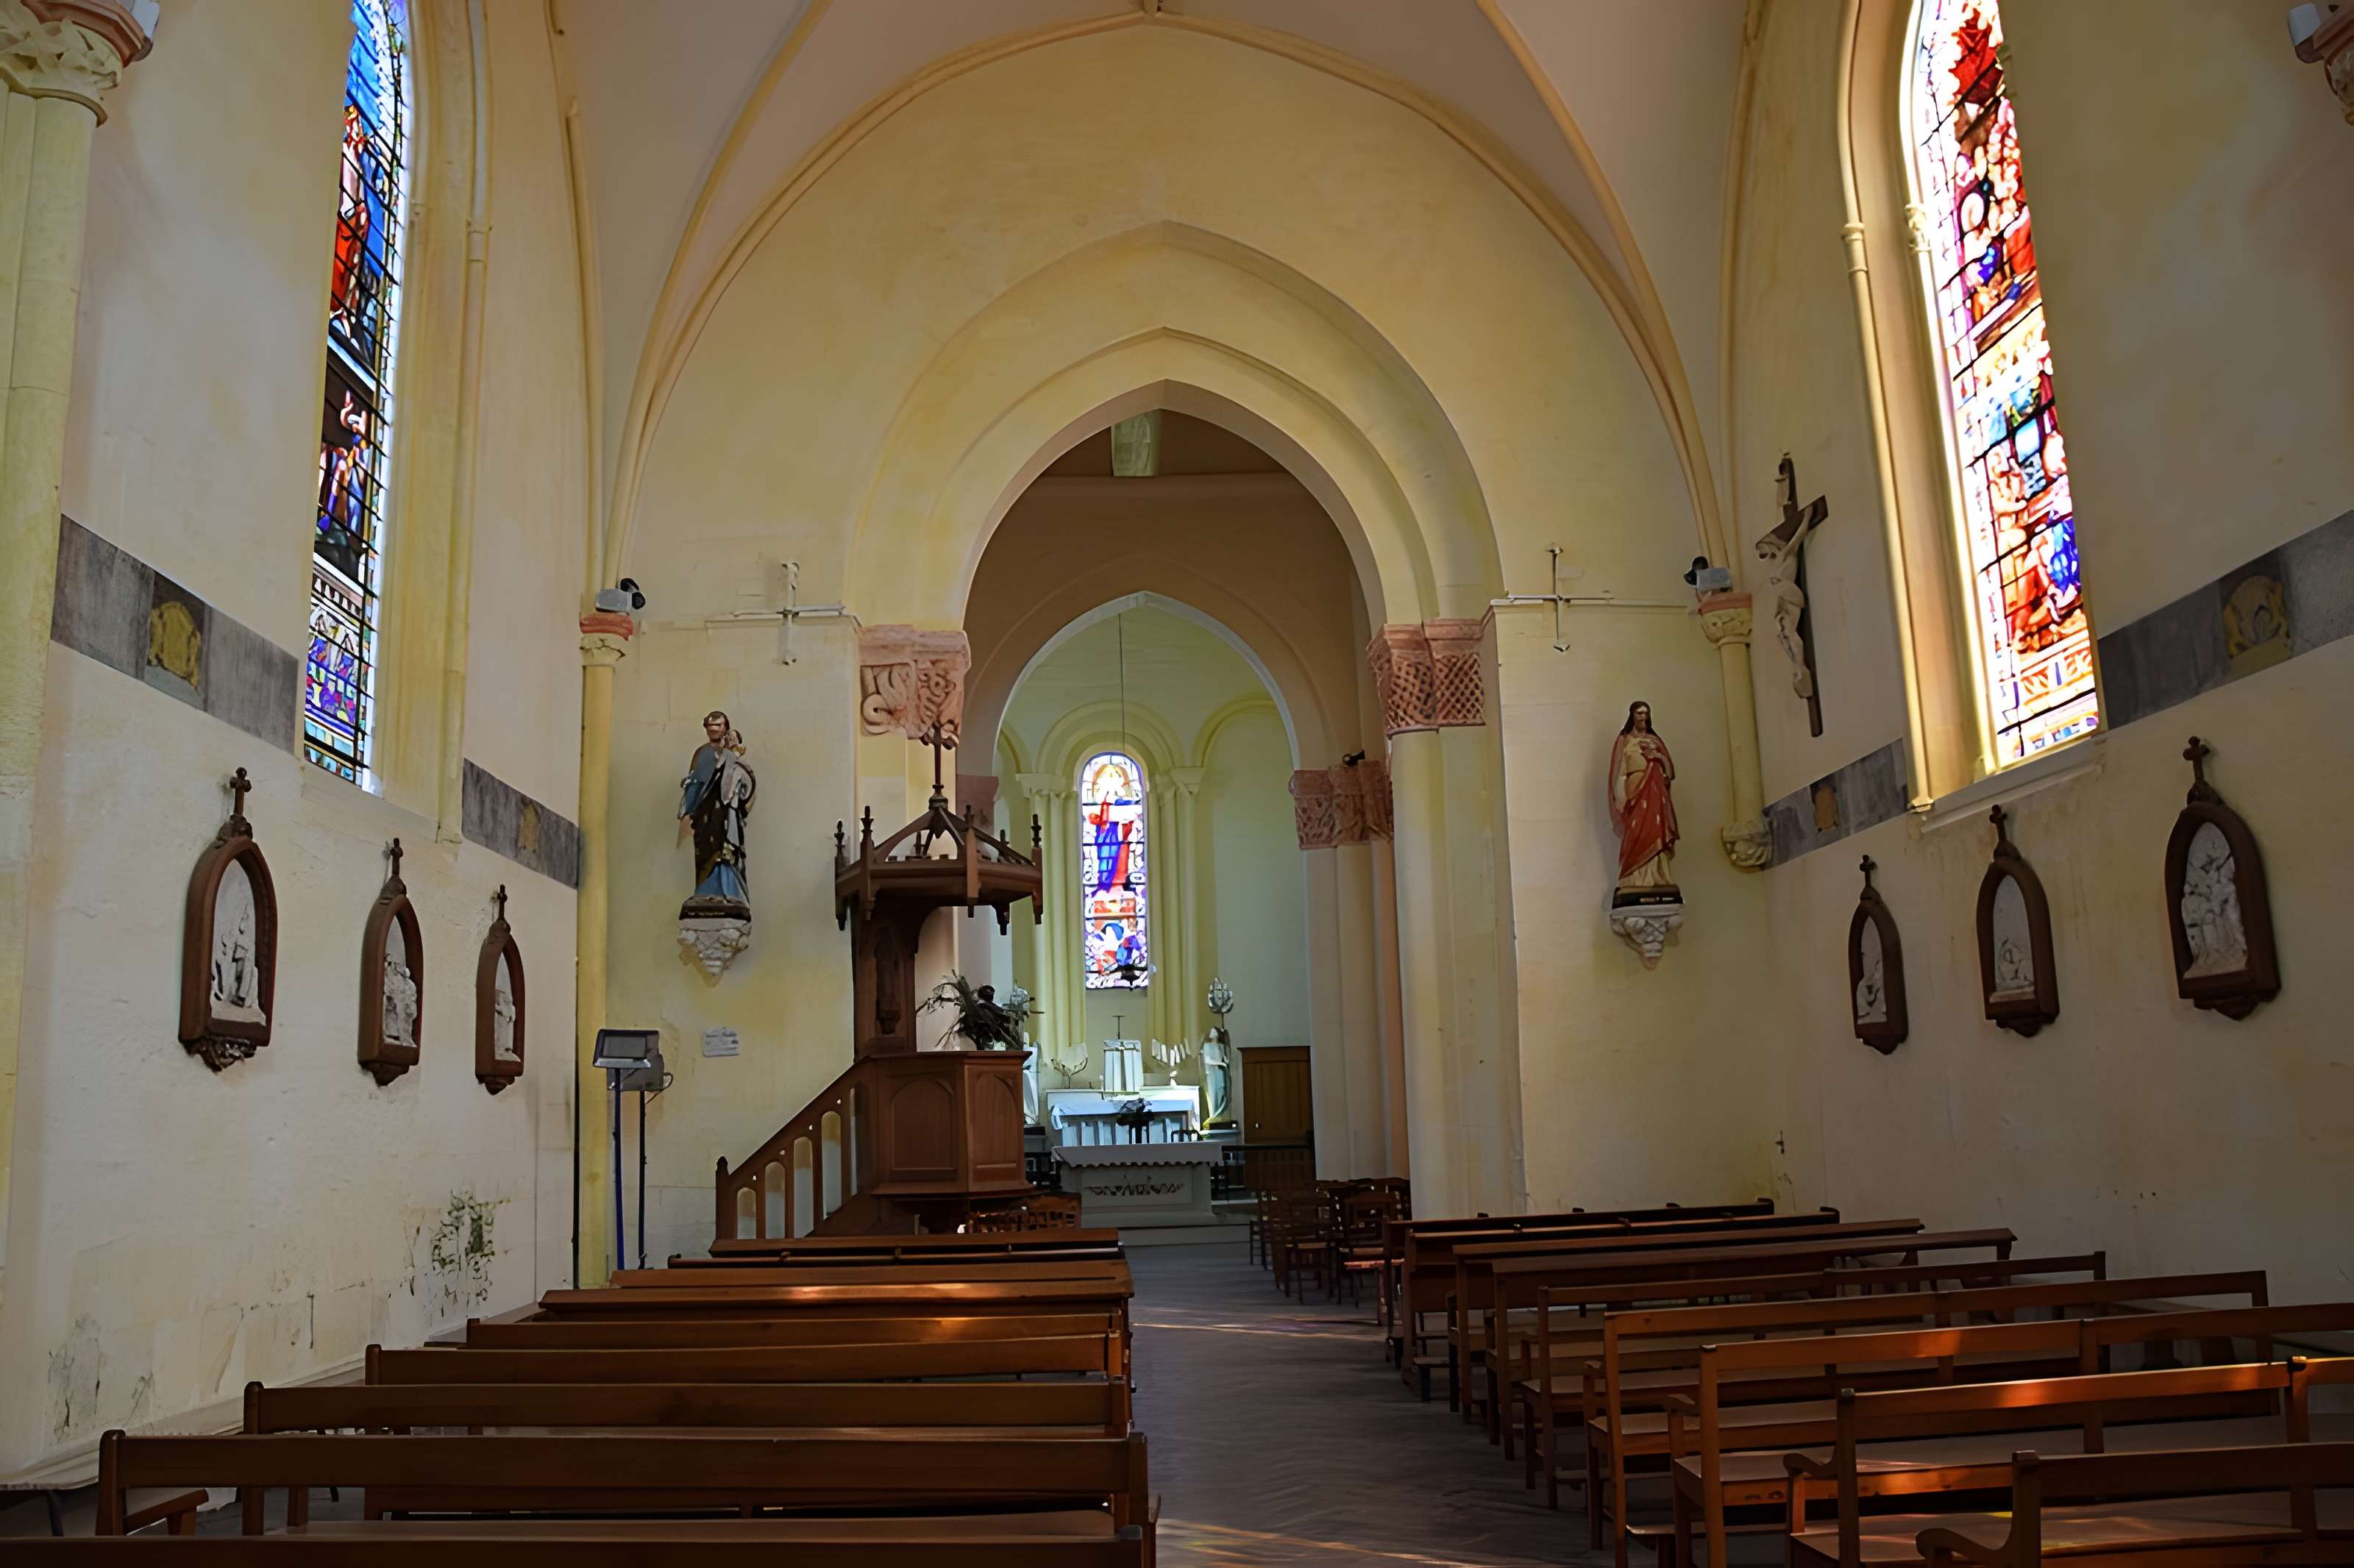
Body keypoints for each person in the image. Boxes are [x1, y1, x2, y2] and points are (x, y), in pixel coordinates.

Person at [679, 710, 755, 908]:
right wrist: (688, 805)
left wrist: (732, 757)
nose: (714, 730)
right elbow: (695, 782)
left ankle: (728, 891)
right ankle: (706, 891)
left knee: (727, 849)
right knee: (706, 849)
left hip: (726, 812)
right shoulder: (702, 753)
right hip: (705, 812)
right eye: (710, 726)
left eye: (719, 726)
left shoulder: (730, 756)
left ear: (726, 728)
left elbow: (741, 786)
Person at [1607, 700, 1679, 898]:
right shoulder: (1625, 741)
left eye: (1645, 713)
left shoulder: (1655, 741)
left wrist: (1657, 756)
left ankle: (1658, 876)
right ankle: (1633, 877)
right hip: (1635, 792)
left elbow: (1670, 772)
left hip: (1655, 792)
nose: (1642, 717)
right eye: (1638, 713)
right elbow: (1620, 773)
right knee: (1637, 832)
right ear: (1632, 715)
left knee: (1655, 830)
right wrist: (1620, 797)